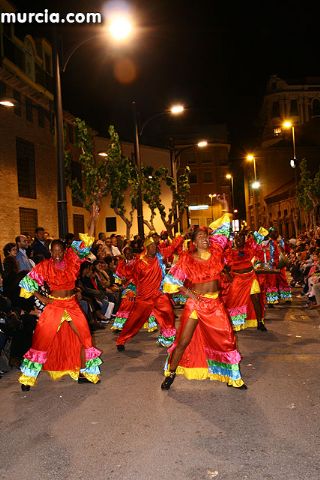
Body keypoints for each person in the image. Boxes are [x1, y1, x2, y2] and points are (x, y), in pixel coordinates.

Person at [161, 195, 246, 390]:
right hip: (196, 304)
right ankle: (171, 373)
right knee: (183, 340)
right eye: (201, 237)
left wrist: (225, 206)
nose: (205, 239)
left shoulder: (217, 251)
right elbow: (170, 280)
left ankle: (234, 378)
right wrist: (189, 294)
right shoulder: (187, 259)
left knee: (228, 339)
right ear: (194, 242)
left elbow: (224, 230)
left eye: (206, 236)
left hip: (215, 304)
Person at [18, 204, 102, 391]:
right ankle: (27, 378)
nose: (56, 254)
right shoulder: (45, 266)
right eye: (53, 251)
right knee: (41, 340)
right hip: (54, 306)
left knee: (85, 339)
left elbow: (86, 244)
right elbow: (27, 283)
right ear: (50, 251)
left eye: (59, 251)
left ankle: (83, 373)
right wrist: (43, 297)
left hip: (72, 305)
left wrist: (93, 221)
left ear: (65, 251)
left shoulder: (73, 260)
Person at [115, 234, 184, 351]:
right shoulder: (140, 262)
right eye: (151, 246)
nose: (154, 248)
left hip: (158, 295)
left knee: (169, 315)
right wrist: (121, 265)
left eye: (154, 245)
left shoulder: (159, 257)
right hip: (144, 298)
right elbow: (131, 275)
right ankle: (121, 340)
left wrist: (181, 236)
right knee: (133, 321)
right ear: (146, 248)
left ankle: (167, 338)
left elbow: (172, 247)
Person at [223, 230, 267, 331]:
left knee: (255, 298)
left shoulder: (250, 248)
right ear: (234, 239)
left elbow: (258, 242)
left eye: (241, 238)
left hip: (251, 277)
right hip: (238, 279)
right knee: (234, 300)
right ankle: (236, 323)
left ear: (244, 239)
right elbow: (224, 266)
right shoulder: (229, 252)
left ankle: (259, 322)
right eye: (237, 238)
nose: (239, 240)